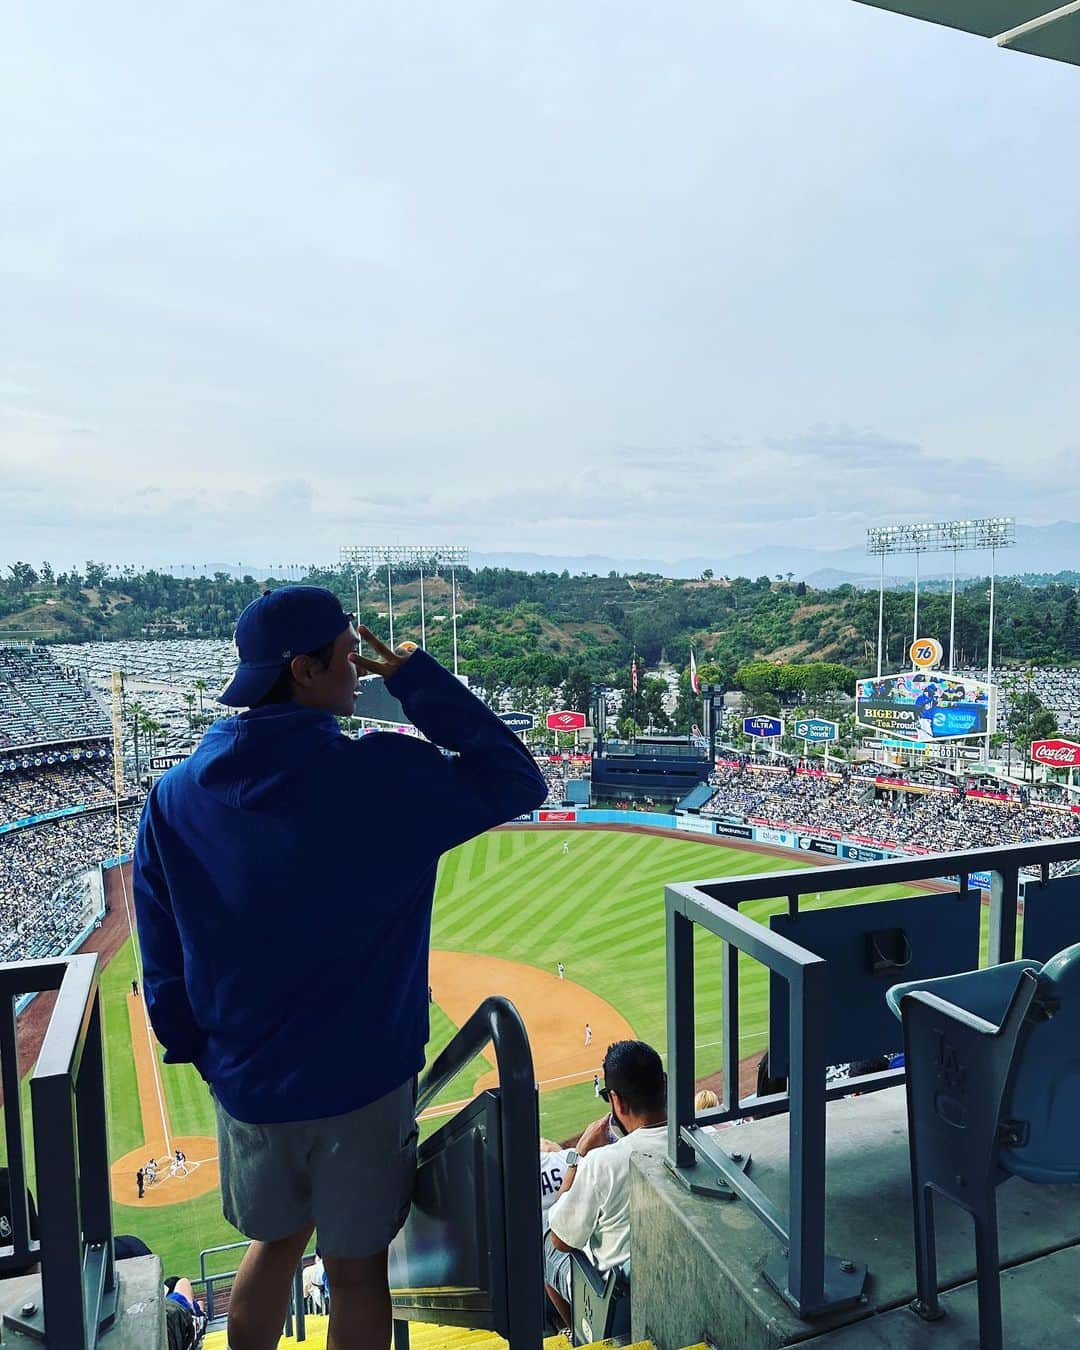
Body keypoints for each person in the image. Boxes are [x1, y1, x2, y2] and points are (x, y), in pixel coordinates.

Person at [133, 587, 547, 1350]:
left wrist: (206, 1052)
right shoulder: (386, 772)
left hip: (249, 1082)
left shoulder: (173, 795)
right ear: (302, 668)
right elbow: (519, 779)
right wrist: (420, 681)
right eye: (348, 656)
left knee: (274, 1248)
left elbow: (159, 956)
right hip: (364, 1081)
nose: (360, 671)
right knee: (357, 1275)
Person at [544, 1041, 668, 1326]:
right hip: (677, 1279)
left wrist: (580, 1154)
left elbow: (560, 1239)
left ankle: (580, 1335)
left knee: (546, 1247)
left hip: (620, 1303)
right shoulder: (701, 1136)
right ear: (663, 1085)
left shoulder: (602, 1163)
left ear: (618, 1101)